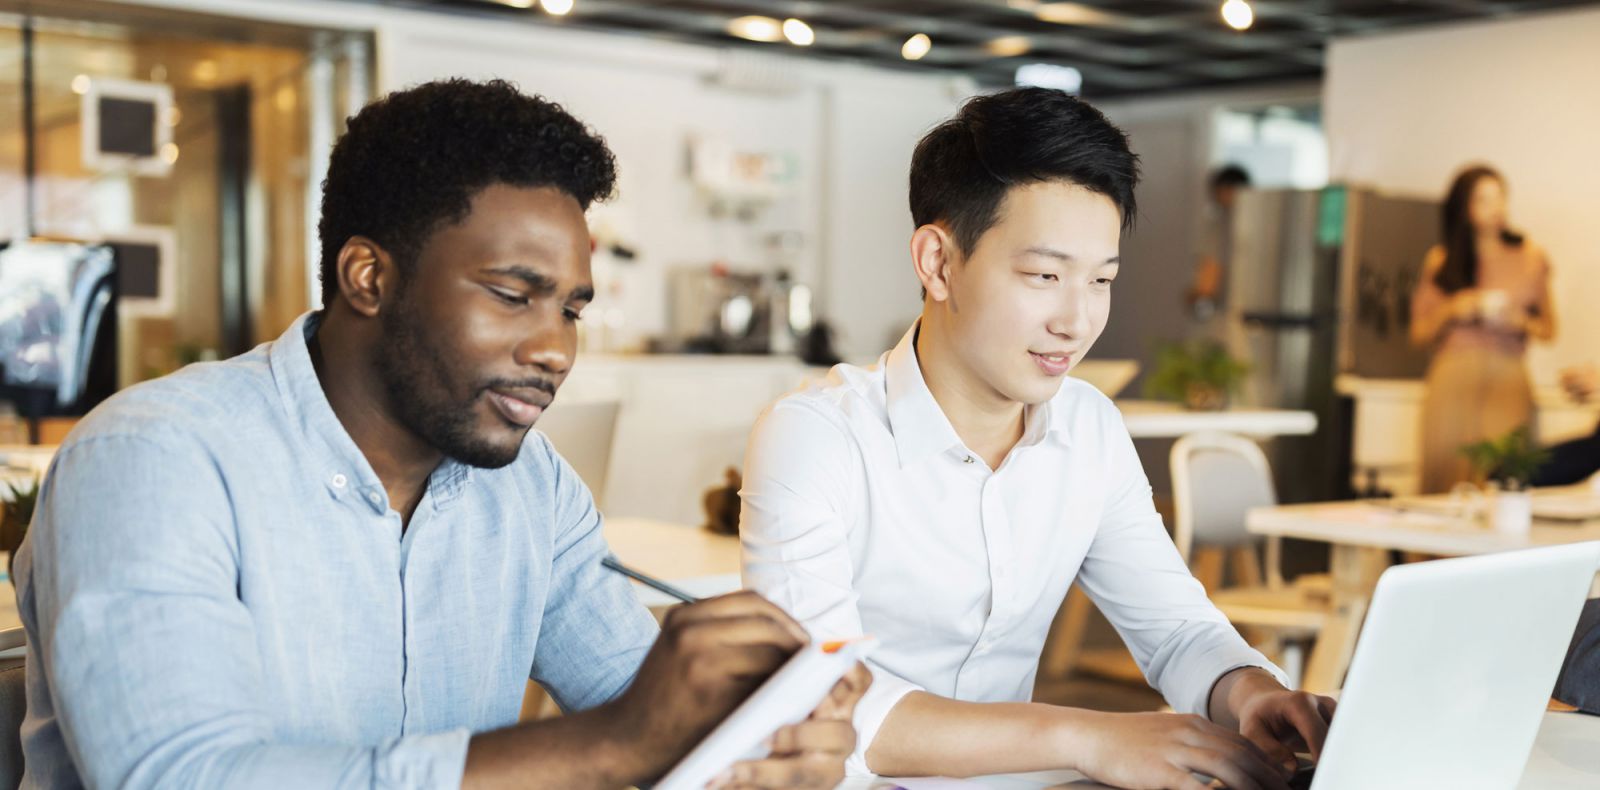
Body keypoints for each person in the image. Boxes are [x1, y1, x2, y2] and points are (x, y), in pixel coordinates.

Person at [14, 79, 867, 790]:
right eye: (511, 294)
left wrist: (763, 735)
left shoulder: (534, 489)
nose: (555, 348)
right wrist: (614, 746)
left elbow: (647, 709)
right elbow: (178, 777)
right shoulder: (152, 459)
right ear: (369, 276)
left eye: (571, 308)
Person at [739, 87, 1334, 790]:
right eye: (1044, 276)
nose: (1076, 321)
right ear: (937, 263)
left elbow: (1176, 628)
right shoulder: (818, 437)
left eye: (1101, 280)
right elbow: (828, 705)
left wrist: (1252, 694)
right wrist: (1085, 736)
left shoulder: (1089, 429)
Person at [1410, 165, 1555, 494]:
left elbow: (1549, 329)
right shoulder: (1442, 260)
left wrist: (1519, 321)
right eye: (1484, 200)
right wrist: (1453, 308)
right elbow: (1418, 335)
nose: (1496, 208)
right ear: (1464, 208)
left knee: (1500, 472)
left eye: (1500, 197)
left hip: (1507, 379)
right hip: (1453, 378)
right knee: (1445, 477)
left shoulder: (1530, 256)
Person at [1185, 164, 1251, 322]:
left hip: (1235, 309)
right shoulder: (1224, 223)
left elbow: (1210, 267)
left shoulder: (1219, 225)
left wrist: (1201, 293)